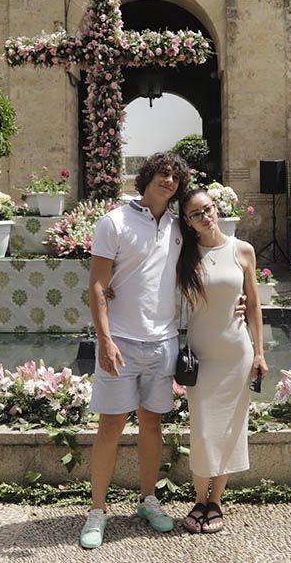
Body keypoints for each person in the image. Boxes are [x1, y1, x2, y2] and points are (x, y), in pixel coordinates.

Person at [79, 151, 190, 549]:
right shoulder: (114, 222)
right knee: (109, 427)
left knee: (152, 425)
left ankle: (148, 500)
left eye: (176, 176)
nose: (169, 181)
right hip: (121, 343)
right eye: (163, 173)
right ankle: (97, 511)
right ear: (146, 177)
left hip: (163, 342)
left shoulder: (179, 227)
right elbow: (96, 285)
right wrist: (105, 339)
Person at [176, 187, 267, 534]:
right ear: (188, 222)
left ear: (217, 209)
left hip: (236, 353)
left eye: (208, 209)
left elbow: (254, 304)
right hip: (201, 355)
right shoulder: (185, 255)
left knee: (230, 428)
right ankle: (199, 499)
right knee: (201, 430)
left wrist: (259, 352)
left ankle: (216, 501)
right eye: (196, 214)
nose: (205, 217)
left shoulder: (242, 250)